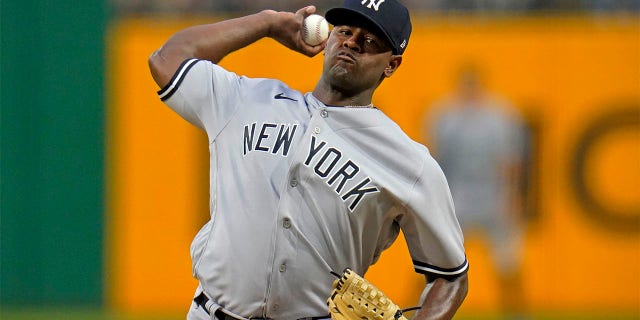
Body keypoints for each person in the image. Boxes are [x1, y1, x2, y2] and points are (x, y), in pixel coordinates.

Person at [148, 1, 469, 319]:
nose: (352, 43)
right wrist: (267, 23)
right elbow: (167, 59)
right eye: (344, 30)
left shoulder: (409, 162)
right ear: (328, 37)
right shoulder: (247, 100)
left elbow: (451, 275)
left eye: (370, 41)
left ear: (391, 65)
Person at [424, 64, 527, 319]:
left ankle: (516, 314)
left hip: (493, 196)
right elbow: (434, 162)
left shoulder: (499, 116)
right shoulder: (444, 116)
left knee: (508, 262)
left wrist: (512, 197)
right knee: (436, 260)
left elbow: (510, 162)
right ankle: (421, 310)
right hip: (458, 197)